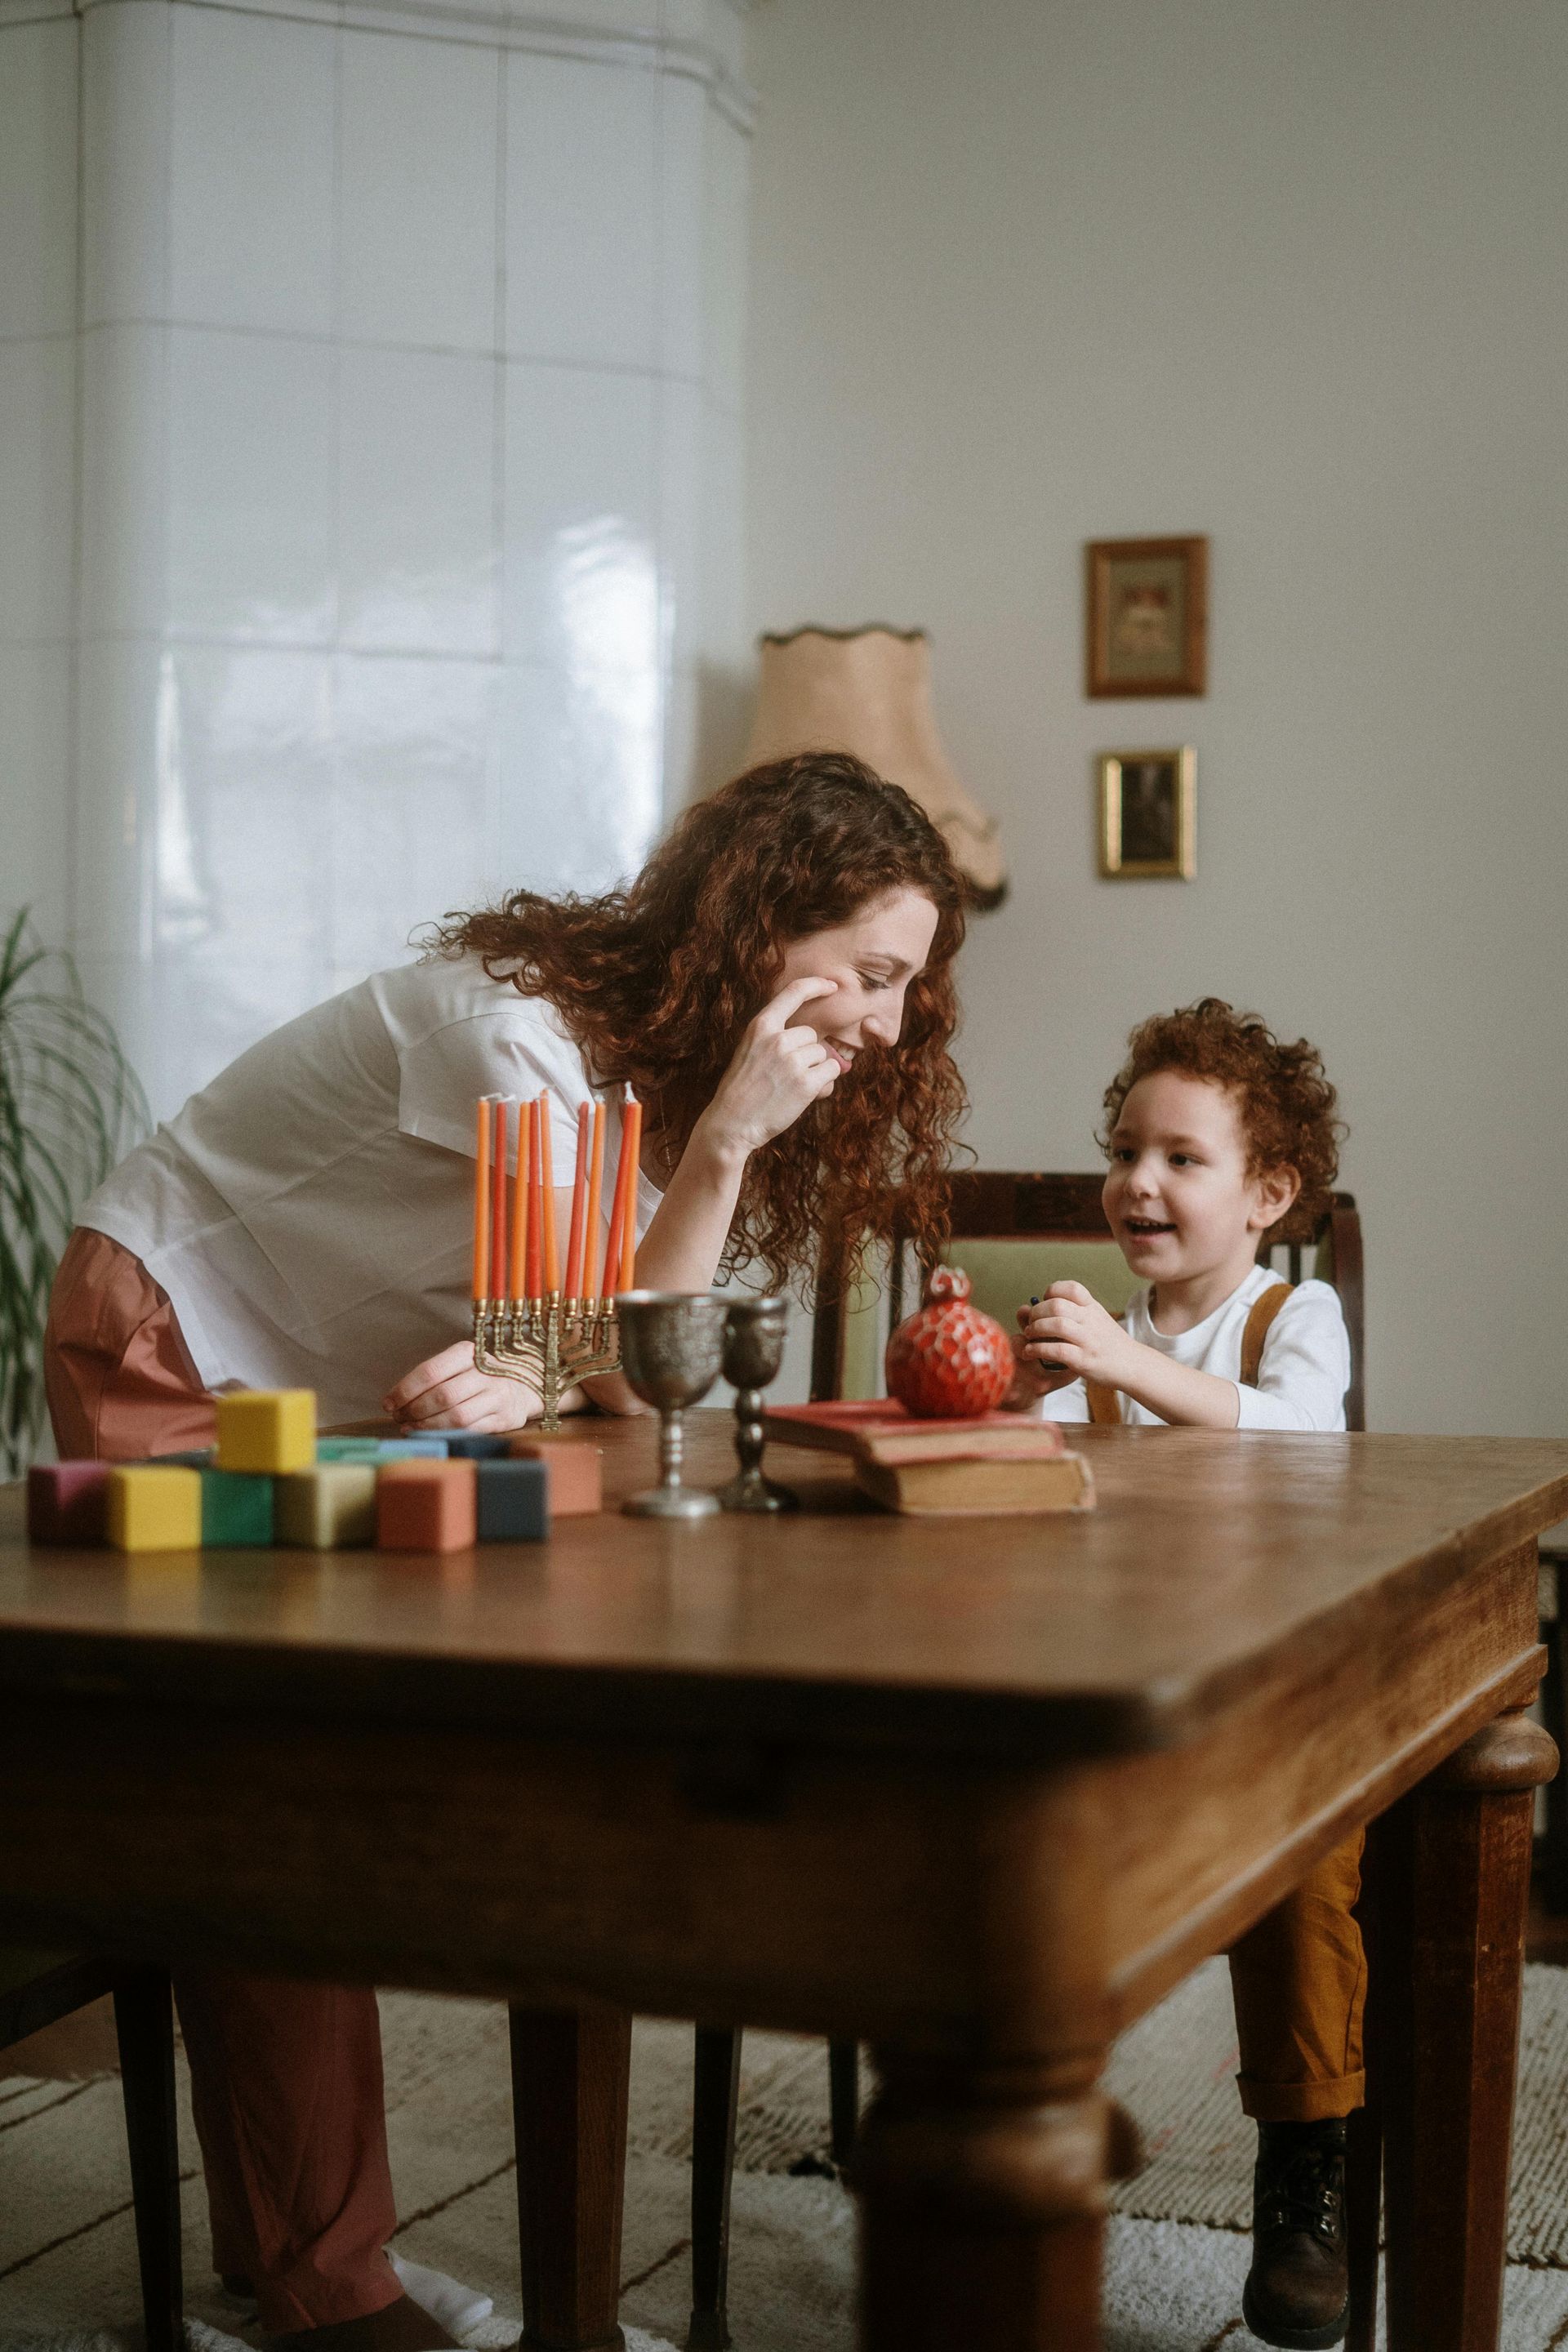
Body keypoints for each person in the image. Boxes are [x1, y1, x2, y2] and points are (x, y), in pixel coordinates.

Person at [43, 752, 966, 2350]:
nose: (888, 1025)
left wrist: (708, 1166)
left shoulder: (638, 1073)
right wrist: (700, 1180)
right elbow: (607, 1357)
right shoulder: (517, 1035)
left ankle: (394, 2267)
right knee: (274, 1786)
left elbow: (604, 1362)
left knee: (501, 1689)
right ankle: (323, 2293)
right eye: (874, 975)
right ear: (765, 929)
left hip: (325, 1394)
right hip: (173, 1343)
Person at [1013, 998, 1356, 2352]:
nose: (1137, 1182)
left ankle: (1304, 2167)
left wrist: (1125, 1367)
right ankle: (1037, 2098)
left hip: (1275, 1695)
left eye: (1182, 1158)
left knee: (1311, 1875)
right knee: (1028, 1848)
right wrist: (996, 1385)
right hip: (1119, 1692)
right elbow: (1025, 1475)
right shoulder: (1094, 1336)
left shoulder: (1293, 1315)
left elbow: (1304, 1441)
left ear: (1269, 1193)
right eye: (1123, 1150)